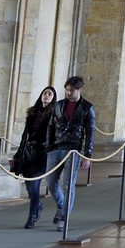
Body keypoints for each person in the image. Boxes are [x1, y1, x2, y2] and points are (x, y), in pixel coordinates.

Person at [46, 76, 95, 230]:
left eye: (71, 90)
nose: (68, 93)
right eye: (67, 90)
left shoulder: (87, 107)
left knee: (68, 185)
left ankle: (64, 218)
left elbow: (90, 132)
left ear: (79, 90)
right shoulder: (59, 105)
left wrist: (87, 155)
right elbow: (51, 126)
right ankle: (62, 205)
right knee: (50, 182)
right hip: (56, 148)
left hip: (73, 150)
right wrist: (49, 146)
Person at [12, 85, 55, 229]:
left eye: (49, 94)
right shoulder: (32, 112)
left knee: (35, 185)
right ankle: (38, 205)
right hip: (28, 152)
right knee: (29, 186)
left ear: (53, 98)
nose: (46, 95)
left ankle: (32, 216)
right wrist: (19, 153)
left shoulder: (54, 114)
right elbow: (25, 134)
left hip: (42, 153)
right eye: (45, 93)